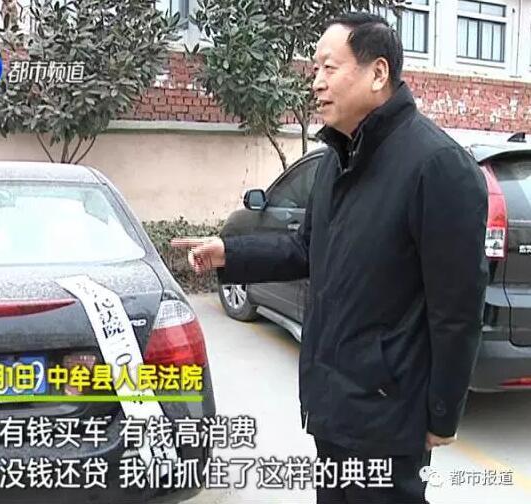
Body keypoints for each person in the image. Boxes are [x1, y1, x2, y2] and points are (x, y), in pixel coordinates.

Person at [172, 12, 488, 504]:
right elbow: (306, 248)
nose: (316, 82)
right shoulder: (337, 159)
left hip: (387, 414)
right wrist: (229, 253)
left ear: (378, 73)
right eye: (315, 69)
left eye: (329, 67)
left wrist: (442, 414)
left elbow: (457, 309)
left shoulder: (437, 166)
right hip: (332, 402)